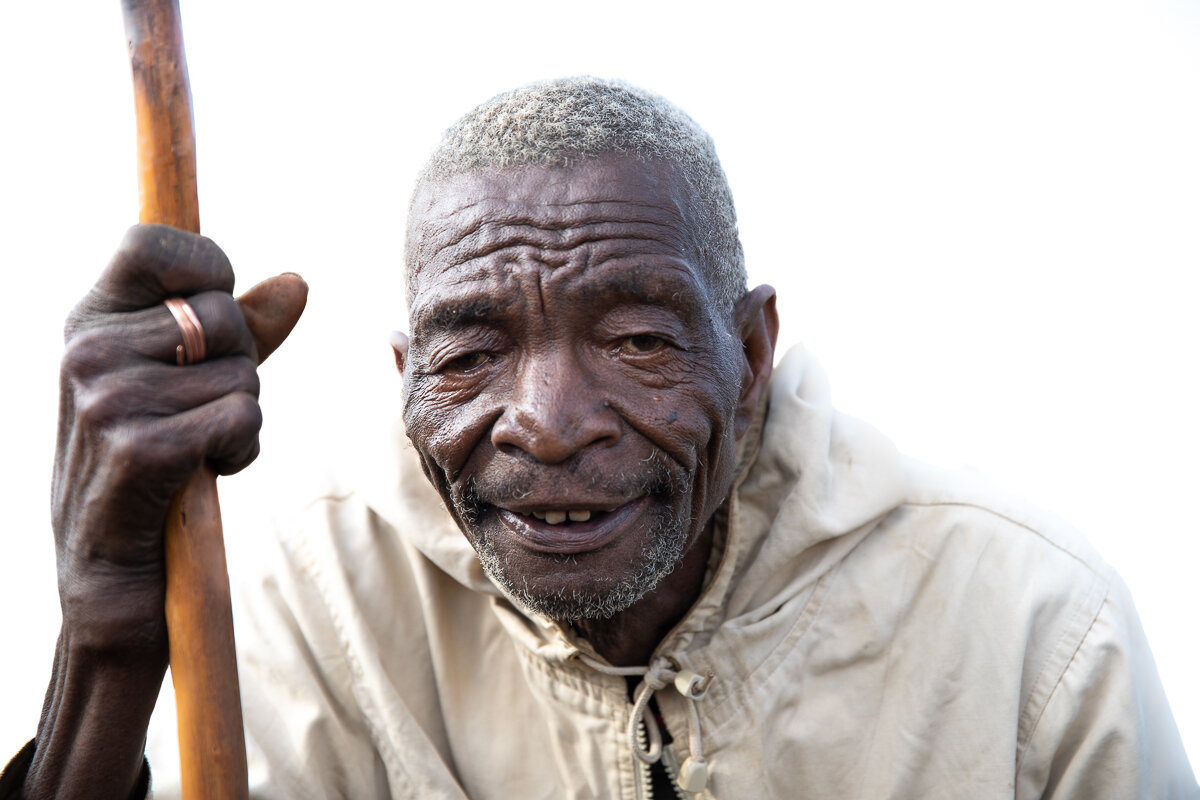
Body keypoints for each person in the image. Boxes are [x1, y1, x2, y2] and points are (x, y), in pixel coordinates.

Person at [3, 77, 1197, 799]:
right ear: (406, 379)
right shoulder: (302, 612)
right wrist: (108, 639)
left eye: (635, 338)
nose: (551, 423)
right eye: (470, 353)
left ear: (753, 355)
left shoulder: (1033, 621)